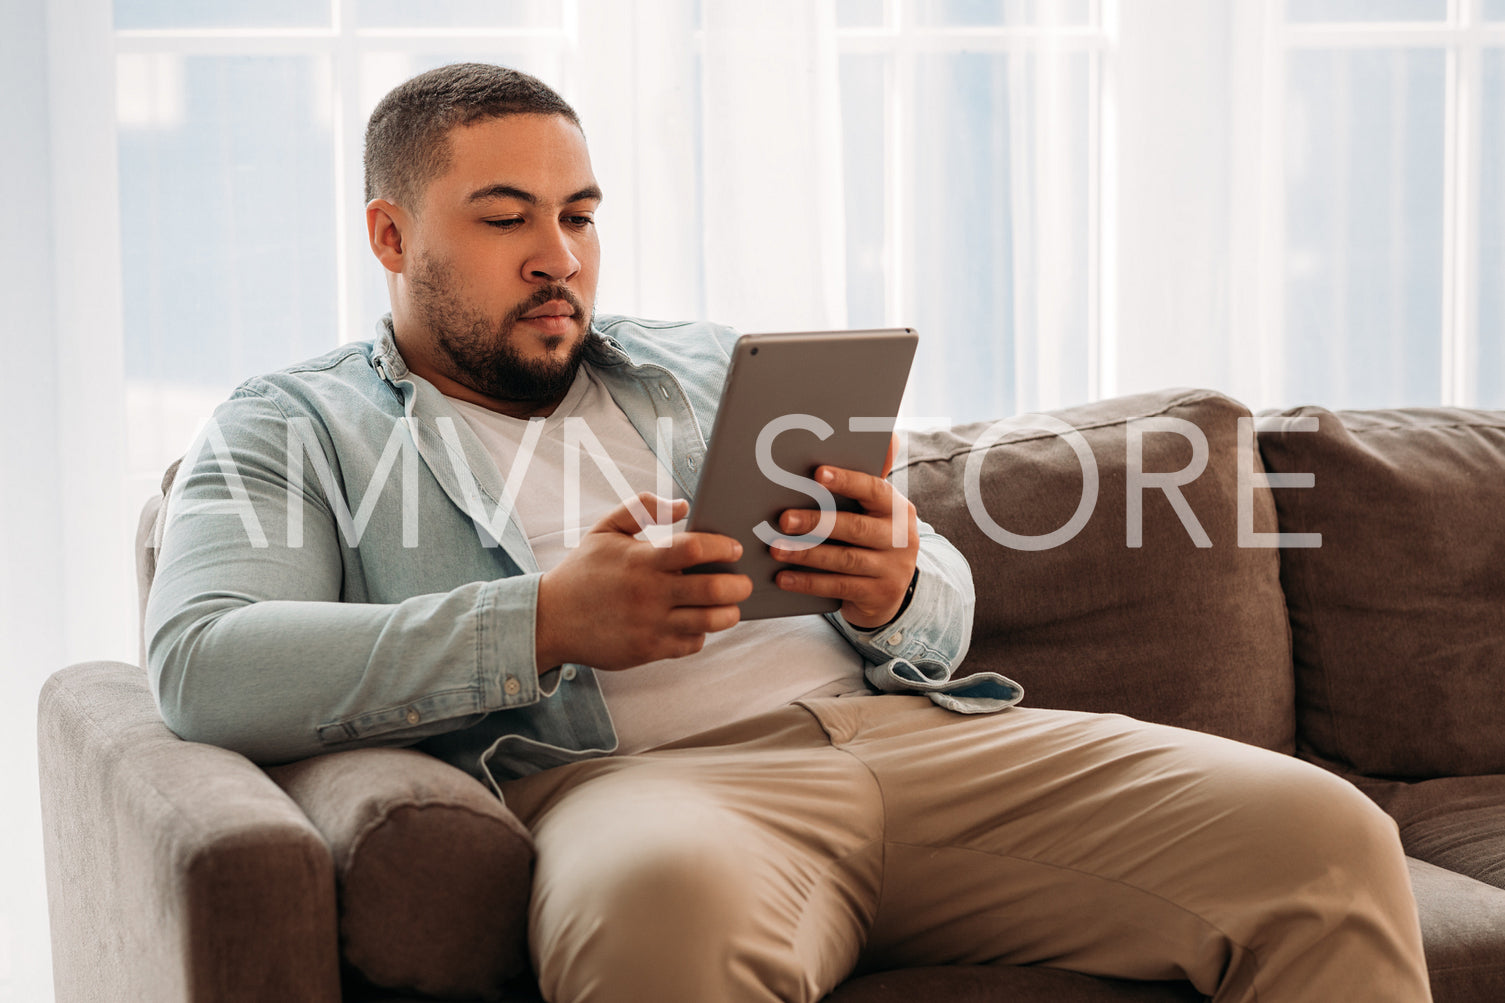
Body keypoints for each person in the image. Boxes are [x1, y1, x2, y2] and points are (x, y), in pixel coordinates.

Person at [145, 62, 1433, 1003]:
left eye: (579, 215)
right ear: (392, 234)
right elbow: (204, 661)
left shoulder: (707, 366)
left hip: (921, 743)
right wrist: (546, 621)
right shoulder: (294, 426)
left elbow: (940, 605)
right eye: (504, 218)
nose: (560, 257)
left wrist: (896, 581)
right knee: (661, 912)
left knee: (1323, 836)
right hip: (641, 787)